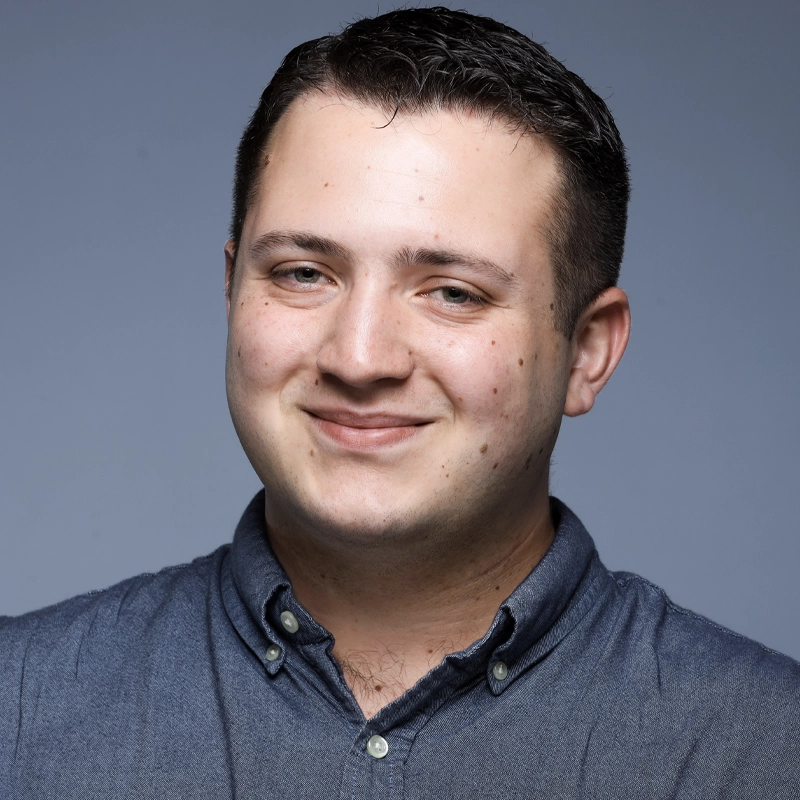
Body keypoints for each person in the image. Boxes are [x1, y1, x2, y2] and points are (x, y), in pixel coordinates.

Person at [1, 6, 798, 798]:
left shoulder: (764, 751)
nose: (358, 357)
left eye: (452, 292)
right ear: (232, 287)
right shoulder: (19, 709)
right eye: (303, 273)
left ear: (587, 352)